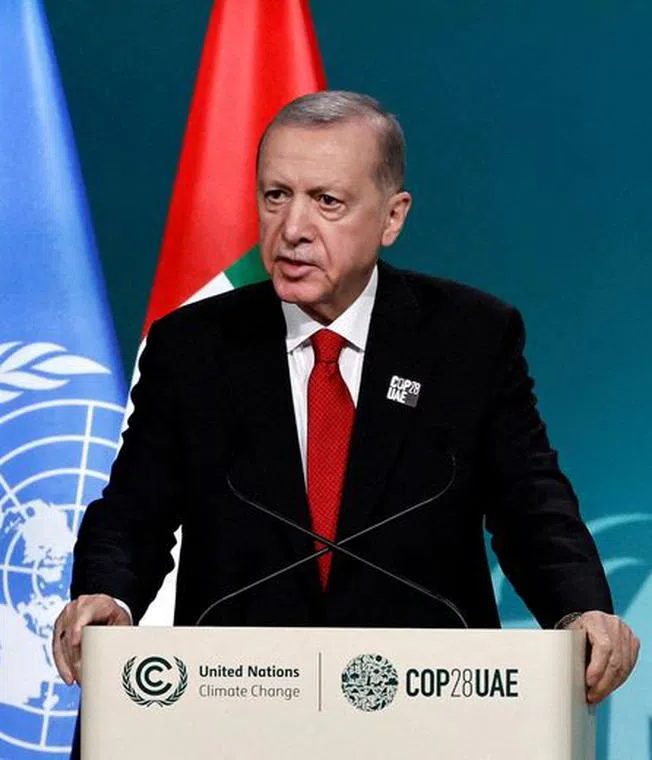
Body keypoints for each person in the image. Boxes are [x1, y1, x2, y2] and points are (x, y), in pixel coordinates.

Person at [53, 92, 639, 715]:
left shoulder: (470, 339)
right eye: (276, 195)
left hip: (427, 711)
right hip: (236, 705)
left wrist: (581, 609)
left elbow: (531, 504)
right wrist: (106, 595)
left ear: (392, 217)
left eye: (326, 201)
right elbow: (134, 512)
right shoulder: (191, 348)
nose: (293, 228)